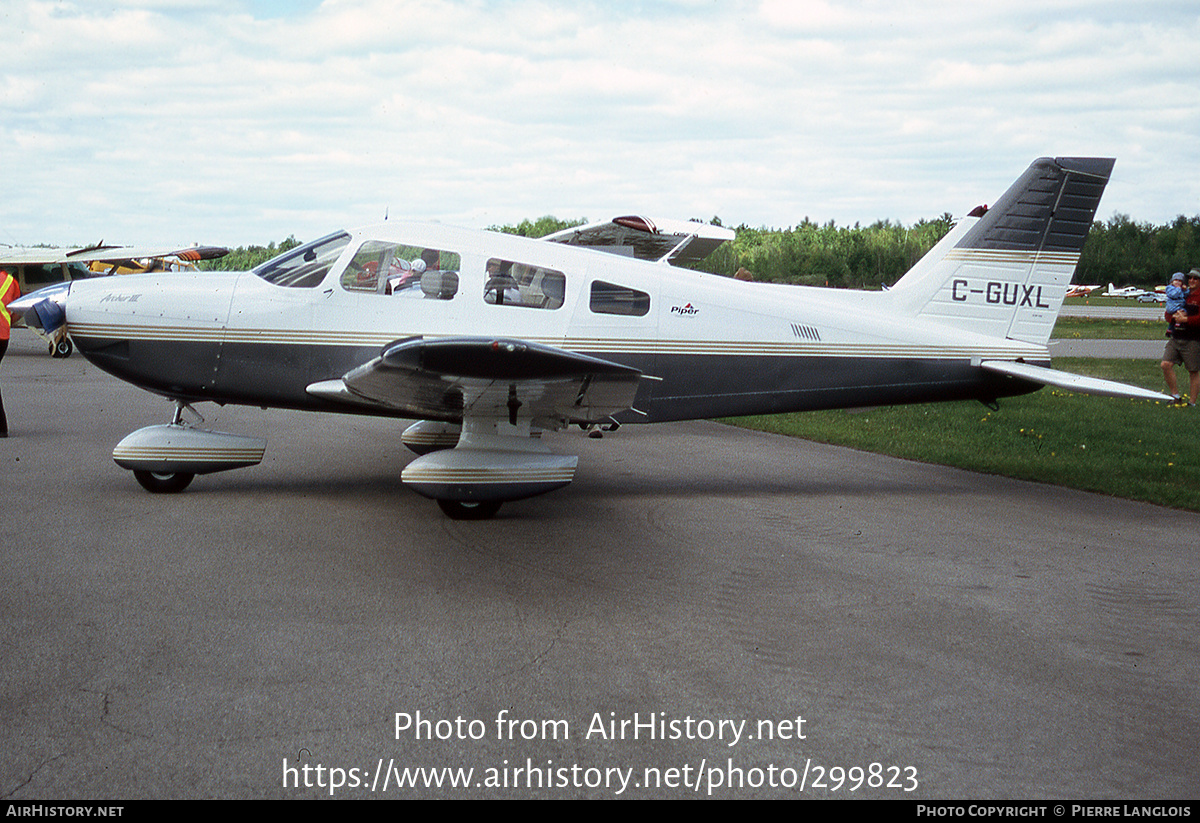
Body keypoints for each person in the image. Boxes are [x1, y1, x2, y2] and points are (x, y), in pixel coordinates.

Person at [1160, 269, 1200, 404]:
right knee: (1165, 364)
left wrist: (1186, 320)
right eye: (1190, 278)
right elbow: (1167, 314)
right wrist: (1174, 317)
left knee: (1193, 371)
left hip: (1192, 339)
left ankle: (1192, 403)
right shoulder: (1181, 293)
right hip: (1176, 337)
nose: (1192, 281)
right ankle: (1175, 396)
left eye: (1195, 278)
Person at [0, 268, 20, 437]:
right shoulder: (10, 281)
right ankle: (1, 426)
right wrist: (7, 322)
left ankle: (1, 427)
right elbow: (19, 309)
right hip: (3, 336)